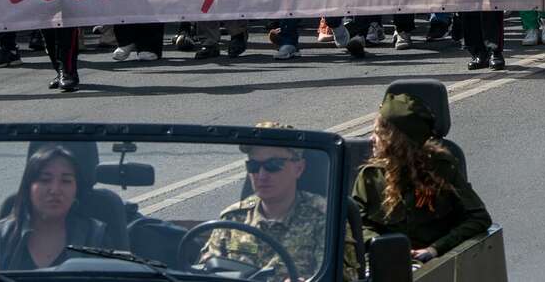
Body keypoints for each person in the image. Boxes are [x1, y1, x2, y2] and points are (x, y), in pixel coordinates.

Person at [351, 87, 493, 265]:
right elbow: (354, 222)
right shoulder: (371, 176)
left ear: (399, 142)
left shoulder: (440, 169)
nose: (373, 139)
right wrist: (380, 245)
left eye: (380, 134)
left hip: (432, 265)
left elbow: (478, 218)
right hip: (383, 264)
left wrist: (435, 249)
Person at [199, 124, 352, 276]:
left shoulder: (326, 219)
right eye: (254, 166)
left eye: (273, 165)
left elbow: (342, 276)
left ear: (298, 168)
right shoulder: (233, 219)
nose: (262, 175)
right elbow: (203, 274)